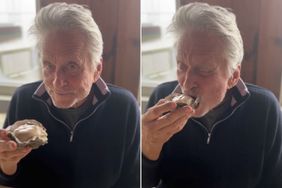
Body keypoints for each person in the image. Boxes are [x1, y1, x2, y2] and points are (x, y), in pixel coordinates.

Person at [142, 2, 282, 188]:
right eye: (181, 66)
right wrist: (147, 147)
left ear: (233, 76)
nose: (186, 83)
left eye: (204, 71)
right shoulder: (160, 99)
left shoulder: (264, 109)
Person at [0, 3, 140, 188]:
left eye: (72, 66)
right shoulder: (23, 100)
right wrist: (6, 163)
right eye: (49, 65)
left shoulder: (124, 106)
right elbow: (10, 181)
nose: (57, 81)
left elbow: (131, 181)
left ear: (97, 68)